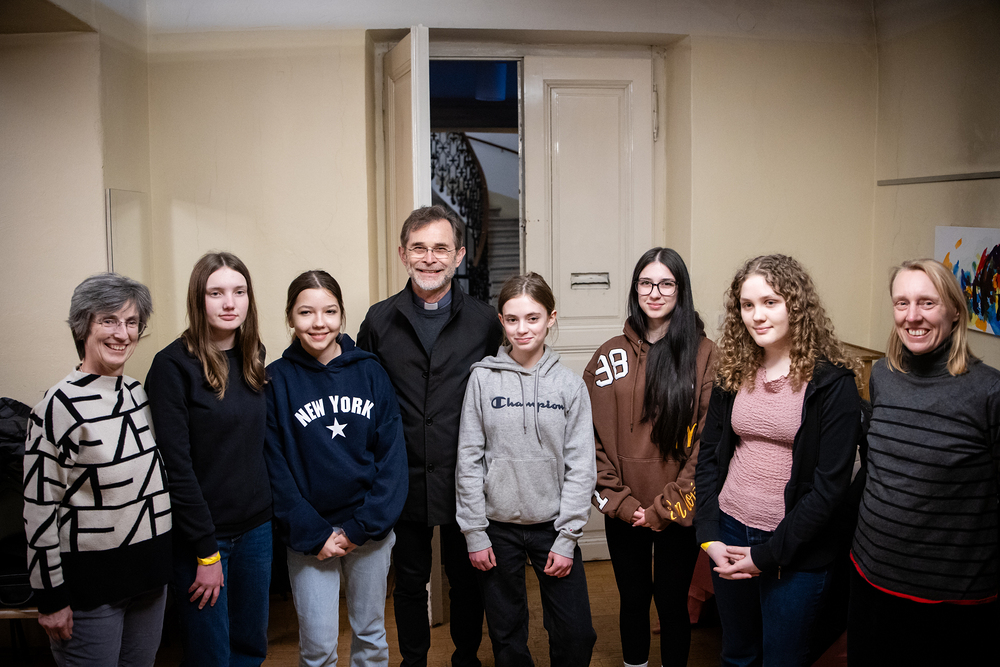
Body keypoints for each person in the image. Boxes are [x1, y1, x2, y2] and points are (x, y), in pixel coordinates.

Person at [694, 254, 860, 667]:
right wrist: (709, 534)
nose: (757, 316)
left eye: (770, 302)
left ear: (796, 306)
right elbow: (709, 457)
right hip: (730, 530)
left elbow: (829, 489)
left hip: (796, 546)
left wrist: (766, 556)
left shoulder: (832, 382)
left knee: (782, 660)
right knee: (737, 654)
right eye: (747, 305)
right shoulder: (734, 371)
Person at [358, 205, 503, 667]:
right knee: (409, 580)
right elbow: (363, 398)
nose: (429, 258)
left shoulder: (485, 321)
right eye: (419, 248)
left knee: (467, 578)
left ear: (458, 255)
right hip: (401, 476)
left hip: (466, 478)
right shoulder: (378, 321)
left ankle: (466, 658)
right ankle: (413, 661)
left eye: (441, 248)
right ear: (403, 254)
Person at [848, 259, 1000, 665]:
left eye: (927, 303)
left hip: (951, 601)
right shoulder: (883, 375)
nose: (912, 316)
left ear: (955, 311)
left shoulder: (989, 391)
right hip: (871, 581)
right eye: (902, 303)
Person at [23, 273, 172, 666]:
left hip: (150, 580)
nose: (122, 333)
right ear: (82, 325)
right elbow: (38, 511)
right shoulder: (56, 407)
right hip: (90, 590)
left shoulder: (137, 394)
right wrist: (50, 598)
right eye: (108, 320)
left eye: (132, 322)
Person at [263, 270, 407, 666]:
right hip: (310, 536)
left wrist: (362, 529)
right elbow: (275, 467)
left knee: (371, 636)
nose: (318, 322)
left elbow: (392, 460)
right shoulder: (275, 380)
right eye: (305, 312)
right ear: (290, 317)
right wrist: (314, 534)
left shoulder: (371, 371)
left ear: (342, 315)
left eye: (329, 311)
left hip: (368, 532)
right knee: (317, 648)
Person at [456, 272, 597, 666]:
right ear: (501, 321)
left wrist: (568, 536)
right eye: (513, 319)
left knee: (576, 634)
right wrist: (474, 532)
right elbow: (468, 459)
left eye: (533, 318)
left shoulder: (570, 386)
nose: (522, 329)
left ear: (551, 318)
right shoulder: (482, 380)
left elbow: (581, 467)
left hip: (553, 527)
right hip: (496, 528)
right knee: (507, 635)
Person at [585, 248, 717, 667]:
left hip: (678, 509)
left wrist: (666, 507)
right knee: (633, 599)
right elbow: (588, 440)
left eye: (666, 283)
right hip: (625, 509)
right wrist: (623, 505)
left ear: (681, 290)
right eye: (646, 282)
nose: (655, 292)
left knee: (672, 603)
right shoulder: (608, 356)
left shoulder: (705, 355)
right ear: (635, 289)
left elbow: (709, 444)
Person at [145, 252, 273, 666]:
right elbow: (176, 468)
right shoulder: (171, 367)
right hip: (203, 537)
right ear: (198, 300)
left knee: (250, 649)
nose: (229, 303)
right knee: (211, 655)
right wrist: (206, 552)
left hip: (256, 531)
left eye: (239, 291)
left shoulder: (253, 356)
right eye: (215, 293)